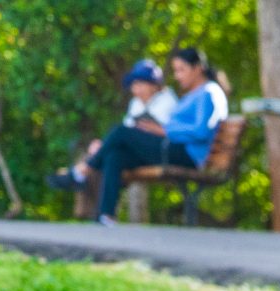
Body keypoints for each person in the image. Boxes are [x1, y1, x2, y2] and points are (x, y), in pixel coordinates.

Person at [77, 46, 229, 224]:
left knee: (121, 132)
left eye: (182, 70)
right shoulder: (191, 95)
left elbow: (202, 131)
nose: (178, 75)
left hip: (187, 154)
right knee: (115, 156)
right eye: (175, 70)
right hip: (172, 149)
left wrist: (165, 130)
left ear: (198, 68)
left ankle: (86, 168)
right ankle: (105, 216)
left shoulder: (209, 92)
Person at [49, 59, 178, 195]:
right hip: (134, 152)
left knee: (115, 137)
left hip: (160, 153)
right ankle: (104, 214)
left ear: (154, 85)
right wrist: (104, 145)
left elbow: (160, 132)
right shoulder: (136, 103)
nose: (136, 89)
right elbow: (127, 132)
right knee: (111, 154)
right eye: (134, 85)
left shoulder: (168, 100)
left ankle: (81, 172)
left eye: (141, 83)